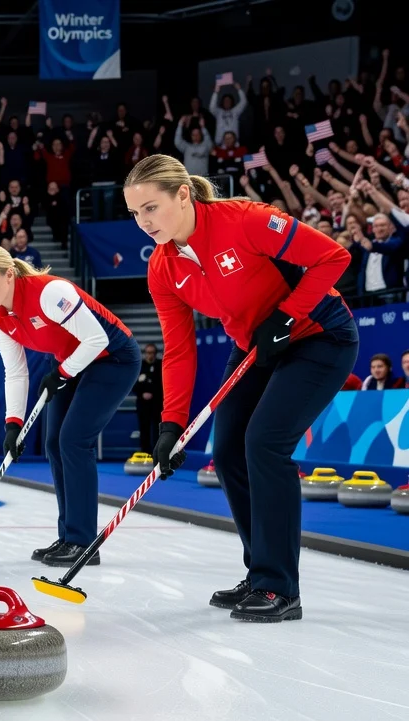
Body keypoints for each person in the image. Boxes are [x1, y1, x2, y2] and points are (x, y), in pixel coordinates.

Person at [125, 154, 357, 623]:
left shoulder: (245, 220)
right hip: (256, 345)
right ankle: (260, 571)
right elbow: (179, 351)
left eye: (151, 207)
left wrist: (288, 313)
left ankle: (279, 587)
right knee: (228, 449)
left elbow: (334, 257)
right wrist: (172, 425)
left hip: (317, 336)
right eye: (135, 213)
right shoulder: (163, 268)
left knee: (265, 443)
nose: (143, 222)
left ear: (183, 194)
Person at [0, 245, 141, 567]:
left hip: (112, 358)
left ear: (9, 275)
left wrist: (61, 373)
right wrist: (13, 424)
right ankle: (68, 536)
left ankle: (82, 542)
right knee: (53, 443)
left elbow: (96, 340)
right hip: (72, 363)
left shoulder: (49, 292)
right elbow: (16, 371)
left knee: (73, 441)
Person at [133, 344, 163, 453]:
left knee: (157, 429)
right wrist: (142, 394)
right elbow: (133, 385)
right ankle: (145, 452)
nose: (150, 355)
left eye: (152, 353)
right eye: (148, 353)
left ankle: (157, 452)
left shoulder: (160, 366)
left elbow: (162, 384)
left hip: (156, 404)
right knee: (143, 428)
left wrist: (153, 393)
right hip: (142, 404)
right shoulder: (140, 366)